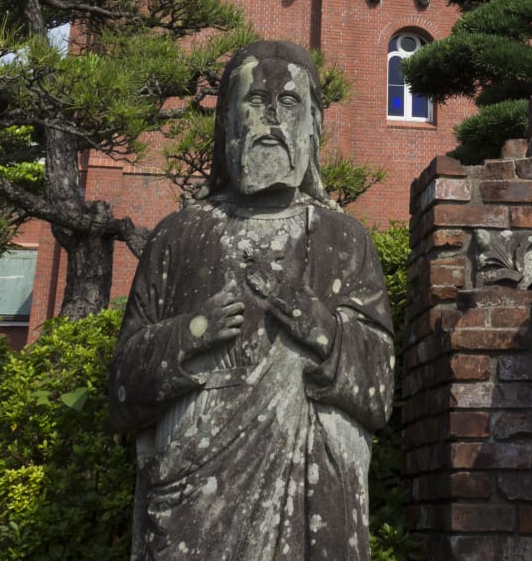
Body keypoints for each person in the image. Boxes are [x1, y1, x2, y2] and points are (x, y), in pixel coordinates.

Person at [109, 40, 394, 561]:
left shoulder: (343, 240)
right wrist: (190, 333)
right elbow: (123, 391)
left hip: (311, 505)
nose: (272, 121)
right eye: (255, 103)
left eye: (288, 104)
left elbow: (380, 391)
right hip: (192, 507)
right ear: (226, 125)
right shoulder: (179, 236)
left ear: (314, 126)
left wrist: (323, 329)